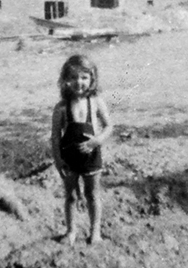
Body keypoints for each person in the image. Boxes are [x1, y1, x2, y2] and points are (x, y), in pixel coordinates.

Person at [51, 54, 113, 245]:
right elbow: (55, 136)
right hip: (69, 158)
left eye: (84, 77)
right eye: (74, 77)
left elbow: (109, 126)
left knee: (92, 194)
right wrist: (58, 160)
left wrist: (96, 141)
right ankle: (71, 232)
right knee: (71, 195)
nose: (79, 82)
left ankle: (95, 232)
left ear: (92, 79)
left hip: (91, 157)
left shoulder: (96, 102)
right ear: (65, 80)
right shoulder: (61, 108)